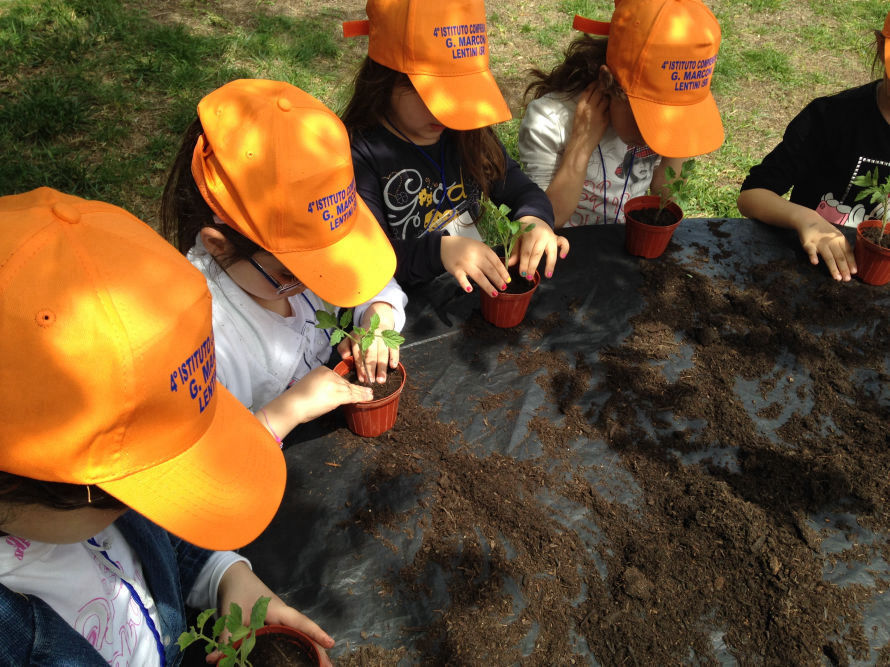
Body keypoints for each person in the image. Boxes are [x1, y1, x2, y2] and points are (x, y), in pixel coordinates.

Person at [0, 187, 334, 665]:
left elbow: (154, 536)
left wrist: (225, 575)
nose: (141, 512)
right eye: (138, 494)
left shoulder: (81, 497)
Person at [161, 79, 407, 443]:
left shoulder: (288, 250)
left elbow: (370, 278)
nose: (315, 283)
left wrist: (378, 314)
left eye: (328, 265)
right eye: (291, 274)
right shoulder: (207, 343)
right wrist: (286, 412)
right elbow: (205, 461)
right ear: (218, 246)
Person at [340, 0, 570, 296]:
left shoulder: (466, 132)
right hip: (399, 309)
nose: (444, 113)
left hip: (465, 296)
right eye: (431, 96)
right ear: (382, 79)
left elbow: (520, 188)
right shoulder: (361, 157)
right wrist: (440, 252)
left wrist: (534, 219)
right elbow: (368, 255)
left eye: (459, 94)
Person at [518, 0, 724, 228]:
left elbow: (665, 196)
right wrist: (580, 145)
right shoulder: (550, 120)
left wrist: (676, 138)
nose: (652, 137)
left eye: (670, 120)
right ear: (607, 82)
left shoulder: (660, 126)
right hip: (566, 251)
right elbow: (544, 223)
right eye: (647, 118)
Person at [736, 12, 890, 282]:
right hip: (811, 275)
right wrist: (805, 219)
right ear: (880, 45)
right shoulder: (831, 118)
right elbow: (751, 196)